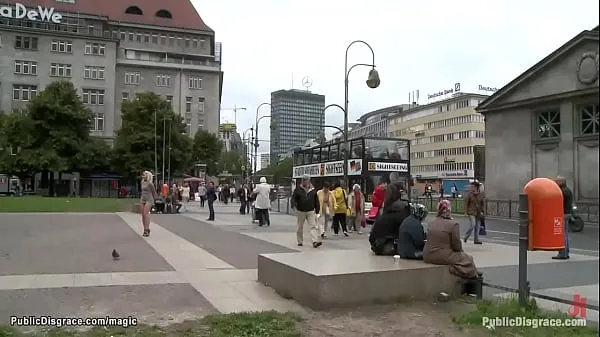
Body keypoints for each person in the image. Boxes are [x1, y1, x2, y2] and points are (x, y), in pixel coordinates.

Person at [424, 200, 481, 293]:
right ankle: (472, 284)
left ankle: (462, 272)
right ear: (449, 210)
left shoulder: (431, 222)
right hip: (442, 255)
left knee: (461, 259)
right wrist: (461, 252)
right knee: (468, 260)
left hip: (427, 255)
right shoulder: (453, 224)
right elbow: (456, 246)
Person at [369, 173, 411, 255]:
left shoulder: (391, 187)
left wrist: (385, 210)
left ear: (391, 179)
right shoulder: (403, 188)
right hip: (404, 213)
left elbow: (387, 201)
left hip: (393, 213)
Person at [291, 175, 322, 248]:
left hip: (310, 211)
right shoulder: (298, 189)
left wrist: (317, 210)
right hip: (301, 210)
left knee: (313, 226)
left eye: (305, 180)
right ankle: (300, 241)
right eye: (303, 180)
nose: (304, 181)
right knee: (300, 227)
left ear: (309, 180)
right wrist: (294, 206)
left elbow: (316, 201)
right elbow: (293, 198)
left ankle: (315, 241)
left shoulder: (313, 190)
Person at [553, 176, 573, 260]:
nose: (555, 182)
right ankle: (566, 252)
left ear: (561, 182)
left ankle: (563, 253)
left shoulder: (562, 191)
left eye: (556, 181)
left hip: (563, 214)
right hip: (567, 213)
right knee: (565, 234)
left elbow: (558, 203)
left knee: (562, 235)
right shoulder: (567, 190)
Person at [140, 171, 159, 237]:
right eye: (143, 175)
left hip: (149, 199)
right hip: (143, 199)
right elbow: (142, 191)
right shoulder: (142, 182)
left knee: (146, 213)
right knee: (142, 214)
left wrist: (156, 200)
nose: (143, 176)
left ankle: (147, 229)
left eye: (145, 175)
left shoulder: (150, 184)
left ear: (148, 176)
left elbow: (154, 192)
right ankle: (144, 228)